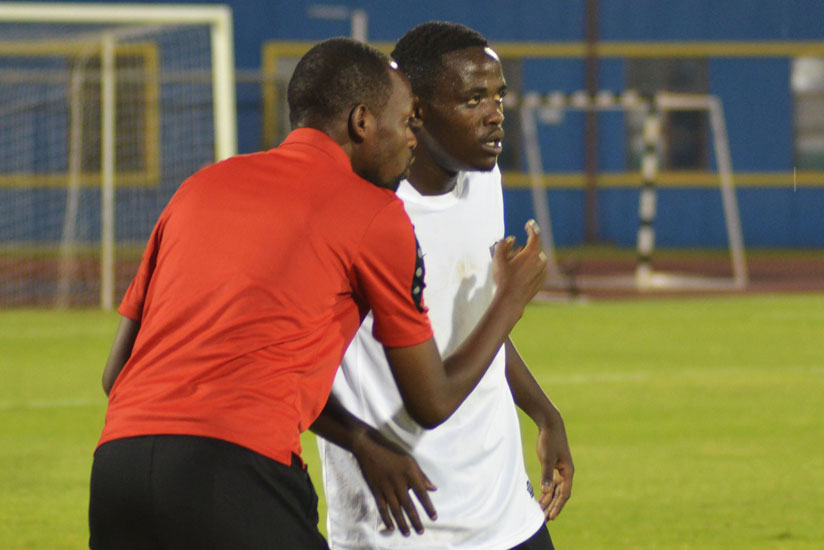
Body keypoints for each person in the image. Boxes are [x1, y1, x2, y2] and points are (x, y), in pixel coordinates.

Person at [88, 37, 547, 549]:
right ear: (362, 123)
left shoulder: (200, 186)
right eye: (403, 121)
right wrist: (510, 300)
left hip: (116, 471)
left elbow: (116, 374)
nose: (411, 138)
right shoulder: (373, 214)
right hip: (239, 473)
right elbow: (433, 399)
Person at [315, 22, 574, 549]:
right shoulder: (356, 216)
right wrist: (512, 299)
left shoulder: (484, 180)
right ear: (418, 113)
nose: (495, 114)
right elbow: (298, 369)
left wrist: (544, 413)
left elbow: (472, 323)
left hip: (506, 517)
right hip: (401, 526)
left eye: (498, 96)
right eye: (473, 99)